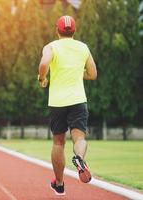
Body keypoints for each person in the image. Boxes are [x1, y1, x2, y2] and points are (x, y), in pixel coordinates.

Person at [37, 15, 97, 196]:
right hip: (78, 100)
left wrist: (42, 78)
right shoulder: (83, 48)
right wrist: (79, 74)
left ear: (57, 30)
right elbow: (93, 74)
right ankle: (79, 158)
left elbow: (43, 63)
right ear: (74, 30)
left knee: (58, 143)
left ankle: (60, 184)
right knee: (79, 138)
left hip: (57, 102)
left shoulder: (51, 47)